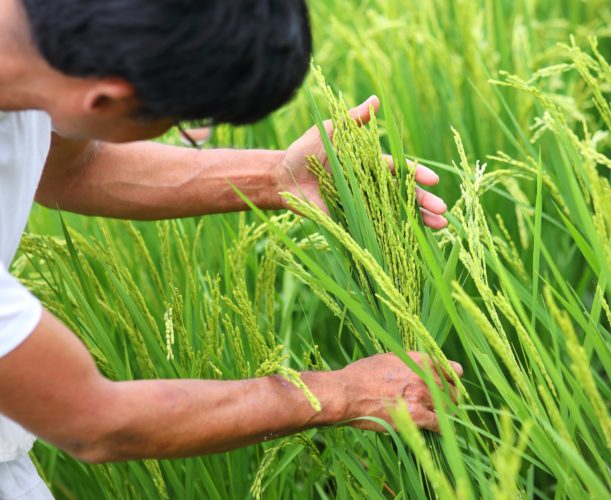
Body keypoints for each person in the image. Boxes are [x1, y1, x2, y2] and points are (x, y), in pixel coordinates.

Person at [0, 0, 461, 498]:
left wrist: (275, 178)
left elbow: (67, 166)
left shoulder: (39, 51)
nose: (189, 132)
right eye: (184, 122)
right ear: (105, 97)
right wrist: (344, 394)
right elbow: (95, 419)